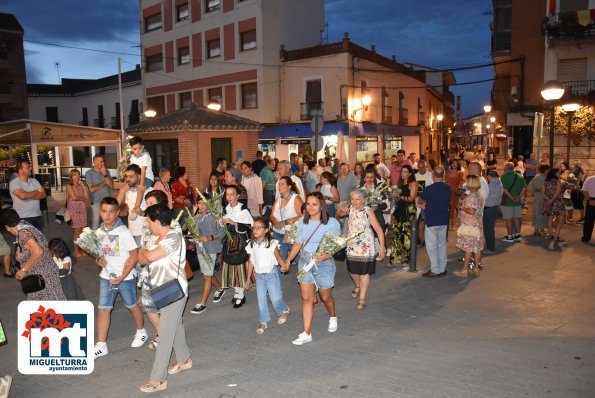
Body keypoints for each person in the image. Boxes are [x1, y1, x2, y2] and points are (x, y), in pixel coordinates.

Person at [138, 205, 191, 393]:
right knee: (175, 326)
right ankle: (184, 359)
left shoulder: (173, 238)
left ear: (158, 222)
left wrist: (144, 254)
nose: (148, 225)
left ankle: (158, 379)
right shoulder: (155, 238)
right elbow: (141, 258)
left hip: (174, 290)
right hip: (160, 289)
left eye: (149, 221)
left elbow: (147, 256)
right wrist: (144, 254)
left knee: (166, 336)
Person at [285, 192, 341, 345]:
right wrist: (288, 260)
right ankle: (306, 332)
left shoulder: (332, 223)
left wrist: (328, 255)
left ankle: (333, 316)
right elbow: (298, 243)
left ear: (321, 206)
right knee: (306, 299)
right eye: (308, 204)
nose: (310, 207)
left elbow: (335, 245)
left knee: (325, 297)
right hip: (305, 261)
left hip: (323, 264)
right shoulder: (303, 222)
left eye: (314, 204)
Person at [93, 197, 146, 358]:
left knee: (131, 305)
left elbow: (134, 255)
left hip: (126, 277)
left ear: (117, 213)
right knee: (103, 309)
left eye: (111, 212)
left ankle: (141, 331)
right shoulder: (98, 231)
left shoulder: (123, 232)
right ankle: (101, 344)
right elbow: (98, 253)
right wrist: (98, 260)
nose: (107, 215)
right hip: (106, 276)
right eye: (104, 211)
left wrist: (123, 276)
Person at [336, 189, 385, 310]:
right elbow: (339, 214)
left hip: (366, 246)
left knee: (364, 272)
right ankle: (358, 285)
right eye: (352, 199)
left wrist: (382, 247)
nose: (355, 201)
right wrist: (340, 210)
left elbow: (378, 230)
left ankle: (362, 298)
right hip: (352, 245)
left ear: (364, 200)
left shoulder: (368, 211)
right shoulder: (350, 208)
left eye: (357, 199)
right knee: (353, 271)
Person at [1, 208, 65, 300]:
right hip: (46, 271)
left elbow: (38, 251)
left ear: (7, 226)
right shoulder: (25, 226)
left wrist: (23, 270)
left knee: (45, 307)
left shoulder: (23, 233)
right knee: (52, 304)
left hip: (41, 276)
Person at [244, 218, 290, 334]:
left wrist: (284, 264)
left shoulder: (271, 243)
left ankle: (284, 310)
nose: (255, 230)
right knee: (261, 300)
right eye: (254, 227)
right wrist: (248, 279)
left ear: (266, 230)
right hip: (259, 276)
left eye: (259, 228)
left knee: (276, 299)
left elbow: (278, 257)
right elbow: (251, 262)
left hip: (271, 274)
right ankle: (263, 322)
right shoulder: (252, 243)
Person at [189, 193, 226, 315]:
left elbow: (223, 233)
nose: (202, 206)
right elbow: (195, 232)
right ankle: (220, 289)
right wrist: (194, 236)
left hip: (211, 248)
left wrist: (210, 237)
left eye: (204, 203)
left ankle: (202, 304)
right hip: (201, 248)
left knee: (207, 276)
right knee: (207, 273)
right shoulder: (197, 217)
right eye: (199, 203)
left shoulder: (216, 216)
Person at [221, 185, 254, 308]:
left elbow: (249, 228)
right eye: (227, 194)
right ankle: (237, 292)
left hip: (240, 245)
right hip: (229, 244)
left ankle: (241, 295)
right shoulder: (226, 208)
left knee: (239, 269)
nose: (229, 197)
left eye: (232, 194)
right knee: (231, 269)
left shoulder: (243, 211)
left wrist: (232, 222)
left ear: (238, 195)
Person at [418, 166, 451, 277]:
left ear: (432, 175)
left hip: (432, 220)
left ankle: (435, 270)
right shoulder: (448, 188)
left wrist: (424, 204)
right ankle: (442, 268)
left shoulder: (429, 189)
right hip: (443, 220)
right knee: (442, 245)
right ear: (444, 175)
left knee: (431, 247)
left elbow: (420, 200)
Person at [454, 175, 484, 277]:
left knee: (468, 248)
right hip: (477, 224)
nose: (465, 184)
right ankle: (476, 268)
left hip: (470, 225)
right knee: (477, 247)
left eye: (466, 182)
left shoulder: (471, 196)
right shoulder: (478, 194)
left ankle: (465, 270)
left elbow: (471, 210)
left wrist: (461, 207)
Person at [117, 164, 153, 247]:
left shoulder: (150, 191)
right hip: (131, 231)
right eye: (126, 177)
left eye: (131, 177)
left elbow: (155, 213)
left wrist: (142, 213)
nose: (128, 179)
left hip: (144, 232)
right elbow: (124, 211)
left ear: (140, 177)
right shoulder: (128, 191)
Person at [119, 136, 154, 219]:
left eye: (139, 148)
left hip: (146, 178)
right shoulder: (132, 157)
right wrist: (124, 162)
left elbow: (143, 170)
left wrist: (141, 184)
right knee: (122, 189)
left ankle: (135, 209)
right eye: (135, 149)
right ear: (131, 149)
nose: (137, 151)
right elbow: (130, 169)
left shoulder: (146, 156)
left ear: (143, 147)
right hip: (136, 178)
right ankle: (115, 206)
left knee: (140, 189)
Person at [390, 165, 418, 267]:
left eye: (405, 172)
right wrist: (393, 196)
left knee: (407, 235)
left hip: (409, 210)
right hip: (400, 209)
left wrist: (399, 196)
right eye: (402, 171)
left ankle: (407, 259)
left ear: (410, 173)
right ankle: (395, 259)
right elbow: (399, 199)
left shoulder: (413, 183)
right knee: (397, 234)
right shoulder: (401, 183)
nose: (403, 173)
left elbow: (411, 198)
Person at [269, 176, 303, 260]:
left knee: (297, 256)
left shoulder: (296, 198)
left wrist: (285, 222)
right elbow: (271, 215)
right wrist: (276, 223)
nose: (279, 186)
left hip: (291, 232)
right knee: (279, 258)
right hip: (277, 232)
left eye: (282, 184)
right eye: (279, 184)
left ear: (289, 186)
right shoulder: (278, 199)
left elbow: (302, 215)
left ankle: (306, 270)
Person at [9, 160, 46, 230]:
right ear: (20, 170)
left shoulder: (34, 181)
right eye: (28, 167)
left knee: (39, 239)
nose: (30, 168)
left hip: (37, 215)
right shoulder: (14, 183)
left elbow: (43, 194)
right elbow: (22, 196)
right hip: (22, 217)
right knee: (26, 240)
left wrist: (27, 195)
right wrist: (37, 191)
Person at [85, 154, 115, 229]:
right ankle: (94, 240)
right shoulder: (89, 173)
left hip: (107, 201)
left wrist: (105, 174)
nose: (103, 163)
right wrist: (105, 182)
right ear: (95, 163)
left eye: (103, 161)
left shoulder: (106, 171)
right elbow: (91, 189)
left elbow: (112, 186)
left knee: (108, 222)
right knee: (96, 222)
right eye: (101, 162)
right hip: (96, 202)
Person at [66, 169, 90, 258]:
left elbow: (87, 196)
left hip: (82, 209)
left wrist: (83, 186)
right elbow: (74, 197)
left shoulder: (81, 185)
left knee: (82, 230)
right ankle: (76, 251)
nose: (77, 176)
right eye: (75, 175)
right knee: (77, 231)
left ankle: (81, 249)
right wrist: (82, 198)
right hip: (74, 209)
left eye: (78, 175)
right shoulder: (69, 186)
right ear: (71, 176)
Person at [500, 162, 527, 243]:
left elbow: (505, 190)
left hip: (508, 202)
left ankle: (510, 236)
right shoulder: (519, 176)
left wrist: (511, 198)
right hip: (517, 201)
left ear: (506, 169)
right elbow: (524, 187)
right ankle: (518, 234)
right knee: (516, 218)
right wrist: (518, 196)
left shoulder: (504, 176)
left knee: (508, 219)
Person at [483, 169, 503, 253]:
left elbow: (484, 196)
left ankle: (490, 248)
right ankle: (490, 246)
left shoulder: (491, 185)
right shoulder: (499, 183)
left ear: (489, 176)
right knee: (490, 229)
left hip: (489, 209)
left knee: (488, 230)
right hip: (495, 207)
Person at [542, 168, 565, 241]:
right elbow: (558, 192)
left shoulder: (546, 181)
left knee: (550, 218)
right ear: (554, 173)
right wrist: (552, 200)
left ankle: (550, 234)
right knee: (560, 218)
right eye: (558, 172)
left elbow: (542, 192)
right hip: (558, 201)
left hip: (548, 202)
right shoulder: (558, 181)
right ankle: (556, 235)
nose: (559, 174)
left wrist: (548, 200)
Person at [527, 164, 550, 237]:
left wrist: (535, 191)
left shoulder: (536, 177)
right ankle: (542, 230)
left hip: (537, 196)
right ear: (545, 170)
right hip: (545, 196)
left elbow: (529, 187)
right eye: (548, 169)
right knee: (543, 212)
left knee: (536, 212)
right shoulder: (547, 178)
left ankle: (536, 230)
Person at [445, 159, 465, 229]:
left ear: (458, 165)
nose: (454, 164)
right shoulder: (447, 172)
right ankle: (450, 223)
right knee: (449, 208)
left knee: (454, 208)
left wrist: (462, 193)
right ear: (451, 164)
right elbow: (445, 182)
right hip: (448, 193)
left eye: (456, 163)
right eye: (453, 163)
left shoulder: (460, 173)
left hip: (456, 193)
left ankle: (454, 224)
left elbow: (462, 184)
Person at [581, 174, 595, 243]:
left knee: (589, 220)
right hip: (591, 200)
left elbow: (584, 190)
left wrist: (589, 199)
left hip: (591, 201)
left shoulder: (589, 179)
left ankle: (586, 237)